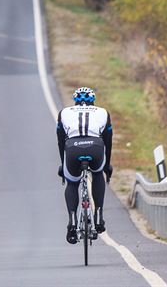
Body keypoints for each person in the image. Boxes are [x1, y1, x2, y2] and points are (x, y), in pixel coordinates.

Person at [56, 86, 113, 244]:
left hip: (72, 148)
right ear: (93, 102)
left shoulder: (64, 113)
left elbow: (61, 141)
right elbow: (108, 140)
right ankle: (99, 215)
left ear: (75, 101)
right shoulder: (102, 112)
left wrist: (63, 165)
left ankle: (72, 221)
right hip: (96, 146)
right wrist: (107, 165)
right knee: (97, 173)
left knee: (72, 182)